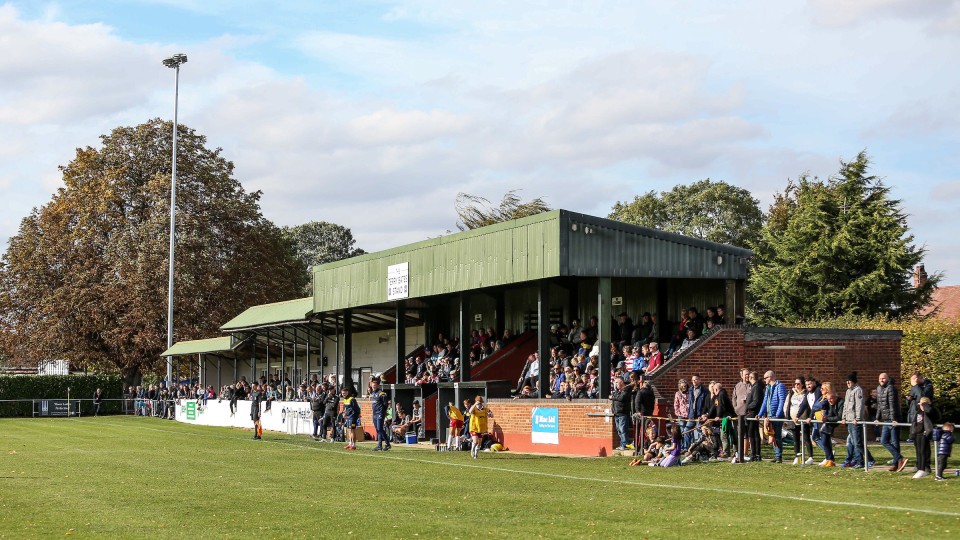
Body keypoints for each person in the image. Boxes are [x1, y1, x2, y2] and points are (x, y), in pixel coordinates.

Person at [840, 372, 873, 468]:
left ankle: (865, 460)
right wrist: (844, 417)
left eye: (849, 381)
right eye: (846, 381)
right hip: (849, 420)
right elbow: (846, 405)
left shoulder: (858, 390)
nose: (848, 383)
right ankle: (864, 460)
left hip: (855, 421)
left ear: (853, 381)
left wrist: (857, 418)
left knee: (857, 443)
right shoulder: (848, 391)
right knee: (854, 443)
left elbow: (859, 405)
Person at [876, 372, 907, 472]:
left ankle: (897, 463)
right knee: (883, 441)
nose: (881, 380)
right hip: (886, 419)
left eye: (883, 378)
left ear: (888, 379)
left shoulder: (891, 388)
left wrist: (894, 419)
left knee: (895, 441)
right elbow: (880, 405)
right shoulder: (879, 389)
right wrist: (877, 418)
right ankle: (899, 459)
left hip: (893, 419)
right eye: (880, 378)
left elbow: (892, 404)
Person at [757, 370, 787, 463]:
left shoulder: (780, 386)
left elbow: (782, 401)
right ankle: (776, 454)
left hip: (777, 416)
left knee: (776, 435)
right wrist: (760, 413)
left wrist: (778, 414)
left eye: (765, 378)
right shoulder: (768, 388)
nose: (764, 380)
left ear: (770, 377)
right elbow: (765, 402)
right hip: (770, 415)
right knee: (772, 435)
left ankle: (779, 456)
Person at [785, 377, 813, 465]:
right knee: (795, 439)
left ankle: (810, 457)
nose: (796, 385)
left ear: (802, 384)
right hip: (793, 420)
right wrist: (788, 416)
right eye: (795, 383)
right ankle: (797, 457)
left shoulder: (806, 394)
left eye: (798, 383)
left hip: (803, 420)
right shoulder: (791, 393)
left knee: (806, 438)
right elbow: (786, 405)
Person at [911, 396, 939, 478]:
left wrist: (925, 405)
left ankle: (923, 469)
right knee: (918, 451)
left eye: (923, 404)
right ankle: (919, 468)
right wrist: (912, 433)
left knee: (923, 451)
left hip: (924, 433)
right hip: (917, 433)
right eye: (920, 403)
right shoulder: (918, 411)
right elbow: (914, 422)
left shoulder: (930, 411)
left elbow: (931, 411)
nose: (921, 405)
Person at [815, 391, 844, 467]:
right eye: (828, 399)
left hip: (835, 422)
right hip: (828, 422)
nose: (829, 401)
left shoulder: (841, 403)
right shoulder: (827, 402)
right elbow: (815, 406)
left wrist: (827, 418)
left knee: (824, 440)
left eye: (831, 399)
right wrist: (824, 401)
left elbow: (839, 417)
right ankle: (829, 459)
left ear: (836, 398)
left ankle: (830, 459)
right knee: (824, 441)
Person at [731, 368, 751, 462]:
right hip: (738, 414)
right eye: (745, 374)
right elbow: (734, 398)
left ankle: (745, 453)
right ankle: (738, 452)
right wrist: (735, 408)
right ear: (741, 375)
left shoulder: (752, 385)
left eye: (748, 374)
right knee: (738, 434)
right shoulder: (737, 386)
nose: (747, 376)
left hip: (748, 413)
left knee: (746, 434)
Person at [610, 378, 632, 451]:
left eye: (617, 382)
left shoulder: (626, 390)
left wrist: (612, 397)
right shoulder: (617, 391)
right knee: (619, 430)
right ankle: (622, 444)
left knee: (623, 430)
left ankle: (625, 444)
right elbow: (615, 397)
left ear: (621, 382)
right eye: (615, 383)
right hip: (616, 413)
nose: (615, 384)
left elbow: (621, 398)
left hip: (623, 413)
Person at [369, 378, 391, 451]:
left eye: (375, 385)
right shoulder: (373, 393)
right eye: (373, 385)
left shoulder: (381, 393)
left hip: (379, 413)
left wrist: (383, 412)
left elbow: (385, 404)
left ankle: (380, 445)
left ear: (378, 386)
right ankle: (386, 444)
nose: (374, 386)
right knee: (378, 430)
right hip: (374, 414)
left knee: (379, 429)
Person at [673, 379, 690, 450]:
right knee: (682, 431)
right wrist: (678, 413)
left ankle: (687, 446)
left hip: (689, 415)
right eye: (682, 386)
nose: (684, 387)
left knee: (687, 431)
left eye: (685, 386)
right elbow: (676, 404)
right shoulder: (678, 394)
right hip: (681, 415)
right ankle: (682, 446)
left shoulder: (690, 393)